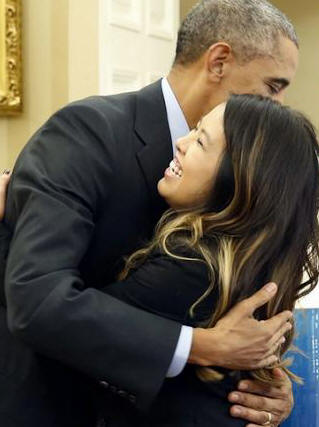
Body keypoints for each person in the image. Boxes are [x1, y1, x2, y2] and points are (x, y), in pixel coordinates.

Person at [0, 0, 299, 426]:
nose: (279, 106)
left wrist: (263, 381)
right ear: (218, 61)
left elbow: (236, 310)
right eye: (273, 86)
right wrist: (201, 346)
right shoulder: (86, 134)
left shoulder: (245, 174)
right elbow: (36, 299)